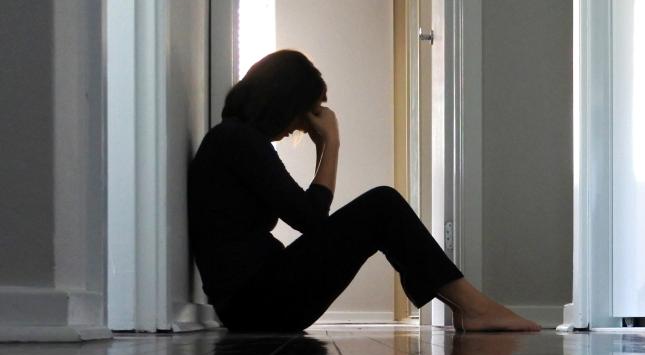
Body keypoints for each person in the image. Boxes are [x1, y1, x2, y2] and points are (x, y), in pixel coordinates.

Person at [189, 49, 538, 332]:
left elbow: (307, 217)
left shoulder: (234, 139)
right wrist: (331, 143)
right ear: (284, 102)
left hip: (256, 301)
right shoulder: (237, 139)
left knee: (381, 206)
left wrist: (326, 144)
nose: (299, 126)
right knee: (381, 205)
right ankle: (471, 306)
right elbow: (310, 218)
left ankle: (467, 306)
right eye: (304, 113)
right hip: (255, 305)